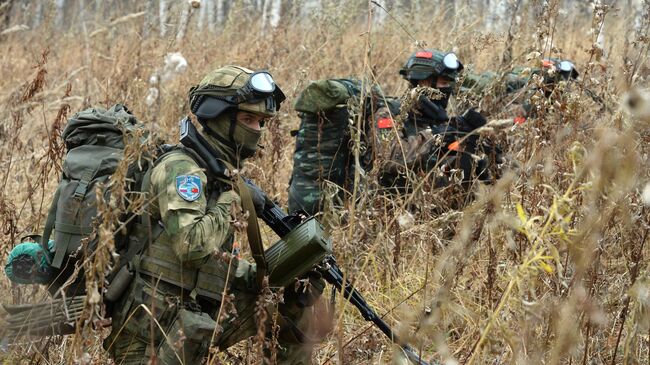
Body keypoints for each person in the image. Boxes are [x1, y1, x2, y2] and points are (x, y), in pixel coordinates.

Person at [103, 65, 326, 365]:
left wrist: (281, 280)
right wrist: (237, 201)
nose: (257, 130)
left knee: (291, 308)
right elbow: (191, 247)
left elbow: (214, 265)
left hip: (194, 311)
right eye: (248, 119)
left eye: (261, 122)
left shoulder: (220, 175)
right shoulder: (183, 171)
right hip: (151, 327)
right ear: (218, 117)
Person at [375, 49, 497, 192]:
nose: (447, 89)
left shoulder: (440, 121)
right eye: (444, 83)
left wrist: (480, 155)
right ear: (424, 83)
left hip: (441, 208)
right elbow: (392, 160)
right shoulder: (389, 113)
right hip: (396, 206)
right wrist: (435, 137)